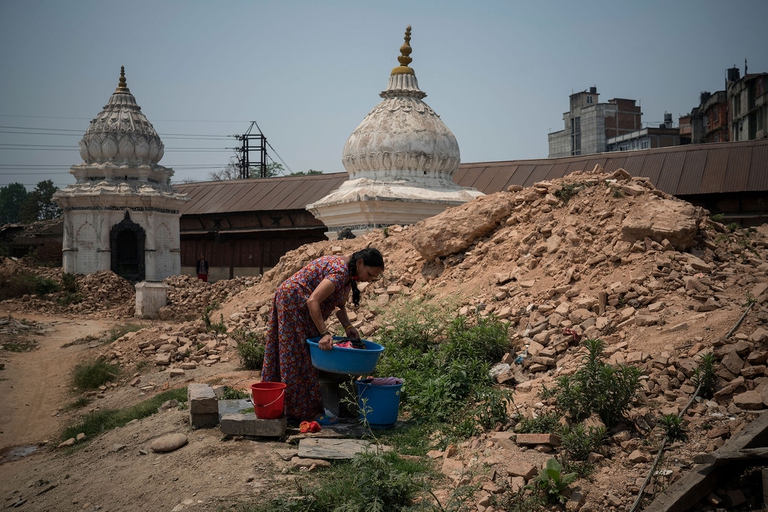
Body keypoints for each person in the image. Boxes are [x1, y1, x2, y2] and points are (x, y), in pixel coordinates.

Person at [261, 247, 385, 421]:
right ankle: (298, 412)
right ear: (360, 263)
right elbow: (313, 301)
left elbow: (339, 305)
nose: (370, 280)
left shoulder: (348, 273)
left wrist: (348, 326)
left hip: (301, 306)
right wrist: (324, 333)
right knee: (297, 356)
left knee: (300, 354)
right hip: (293, 302)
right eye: (370, 274)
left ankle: (290, 406)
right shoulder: (340, 271)